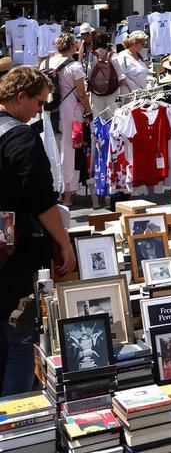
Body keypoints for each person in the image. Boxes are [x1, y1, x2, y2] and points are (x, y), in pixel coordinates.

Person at [0, 66, 75, 395]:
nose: (40, 110)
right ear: (20, 98)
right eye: (39, 102)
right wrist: (64, 243)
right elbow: (42, 201)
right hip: (15, 251)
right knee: (21, 332)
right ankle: (14, 413)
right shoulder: (21, 137)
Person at [45, 33, 91, 204]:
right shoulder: (75, 66)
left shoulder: (46, 62)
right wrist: (88, 112)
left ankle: (53, 190)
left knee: (51, 148)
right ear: (72, 46)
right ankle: (67, 194)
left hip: (49, 109)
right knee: (69, 150)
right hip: (70, 110)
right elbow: (81, 93)